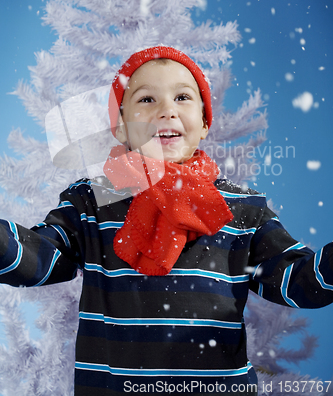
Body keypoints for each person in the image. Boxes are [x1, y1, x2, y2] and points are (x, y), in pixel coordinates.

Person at [0, 45, 333, 396]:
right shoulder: (92, 200)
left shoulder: (241, 207)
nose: (167, 111)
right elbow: (44, 258)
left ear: (204, 123)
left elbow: (294, 279)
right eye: (146, 100)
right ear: (121, 128)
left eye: (183, 97)